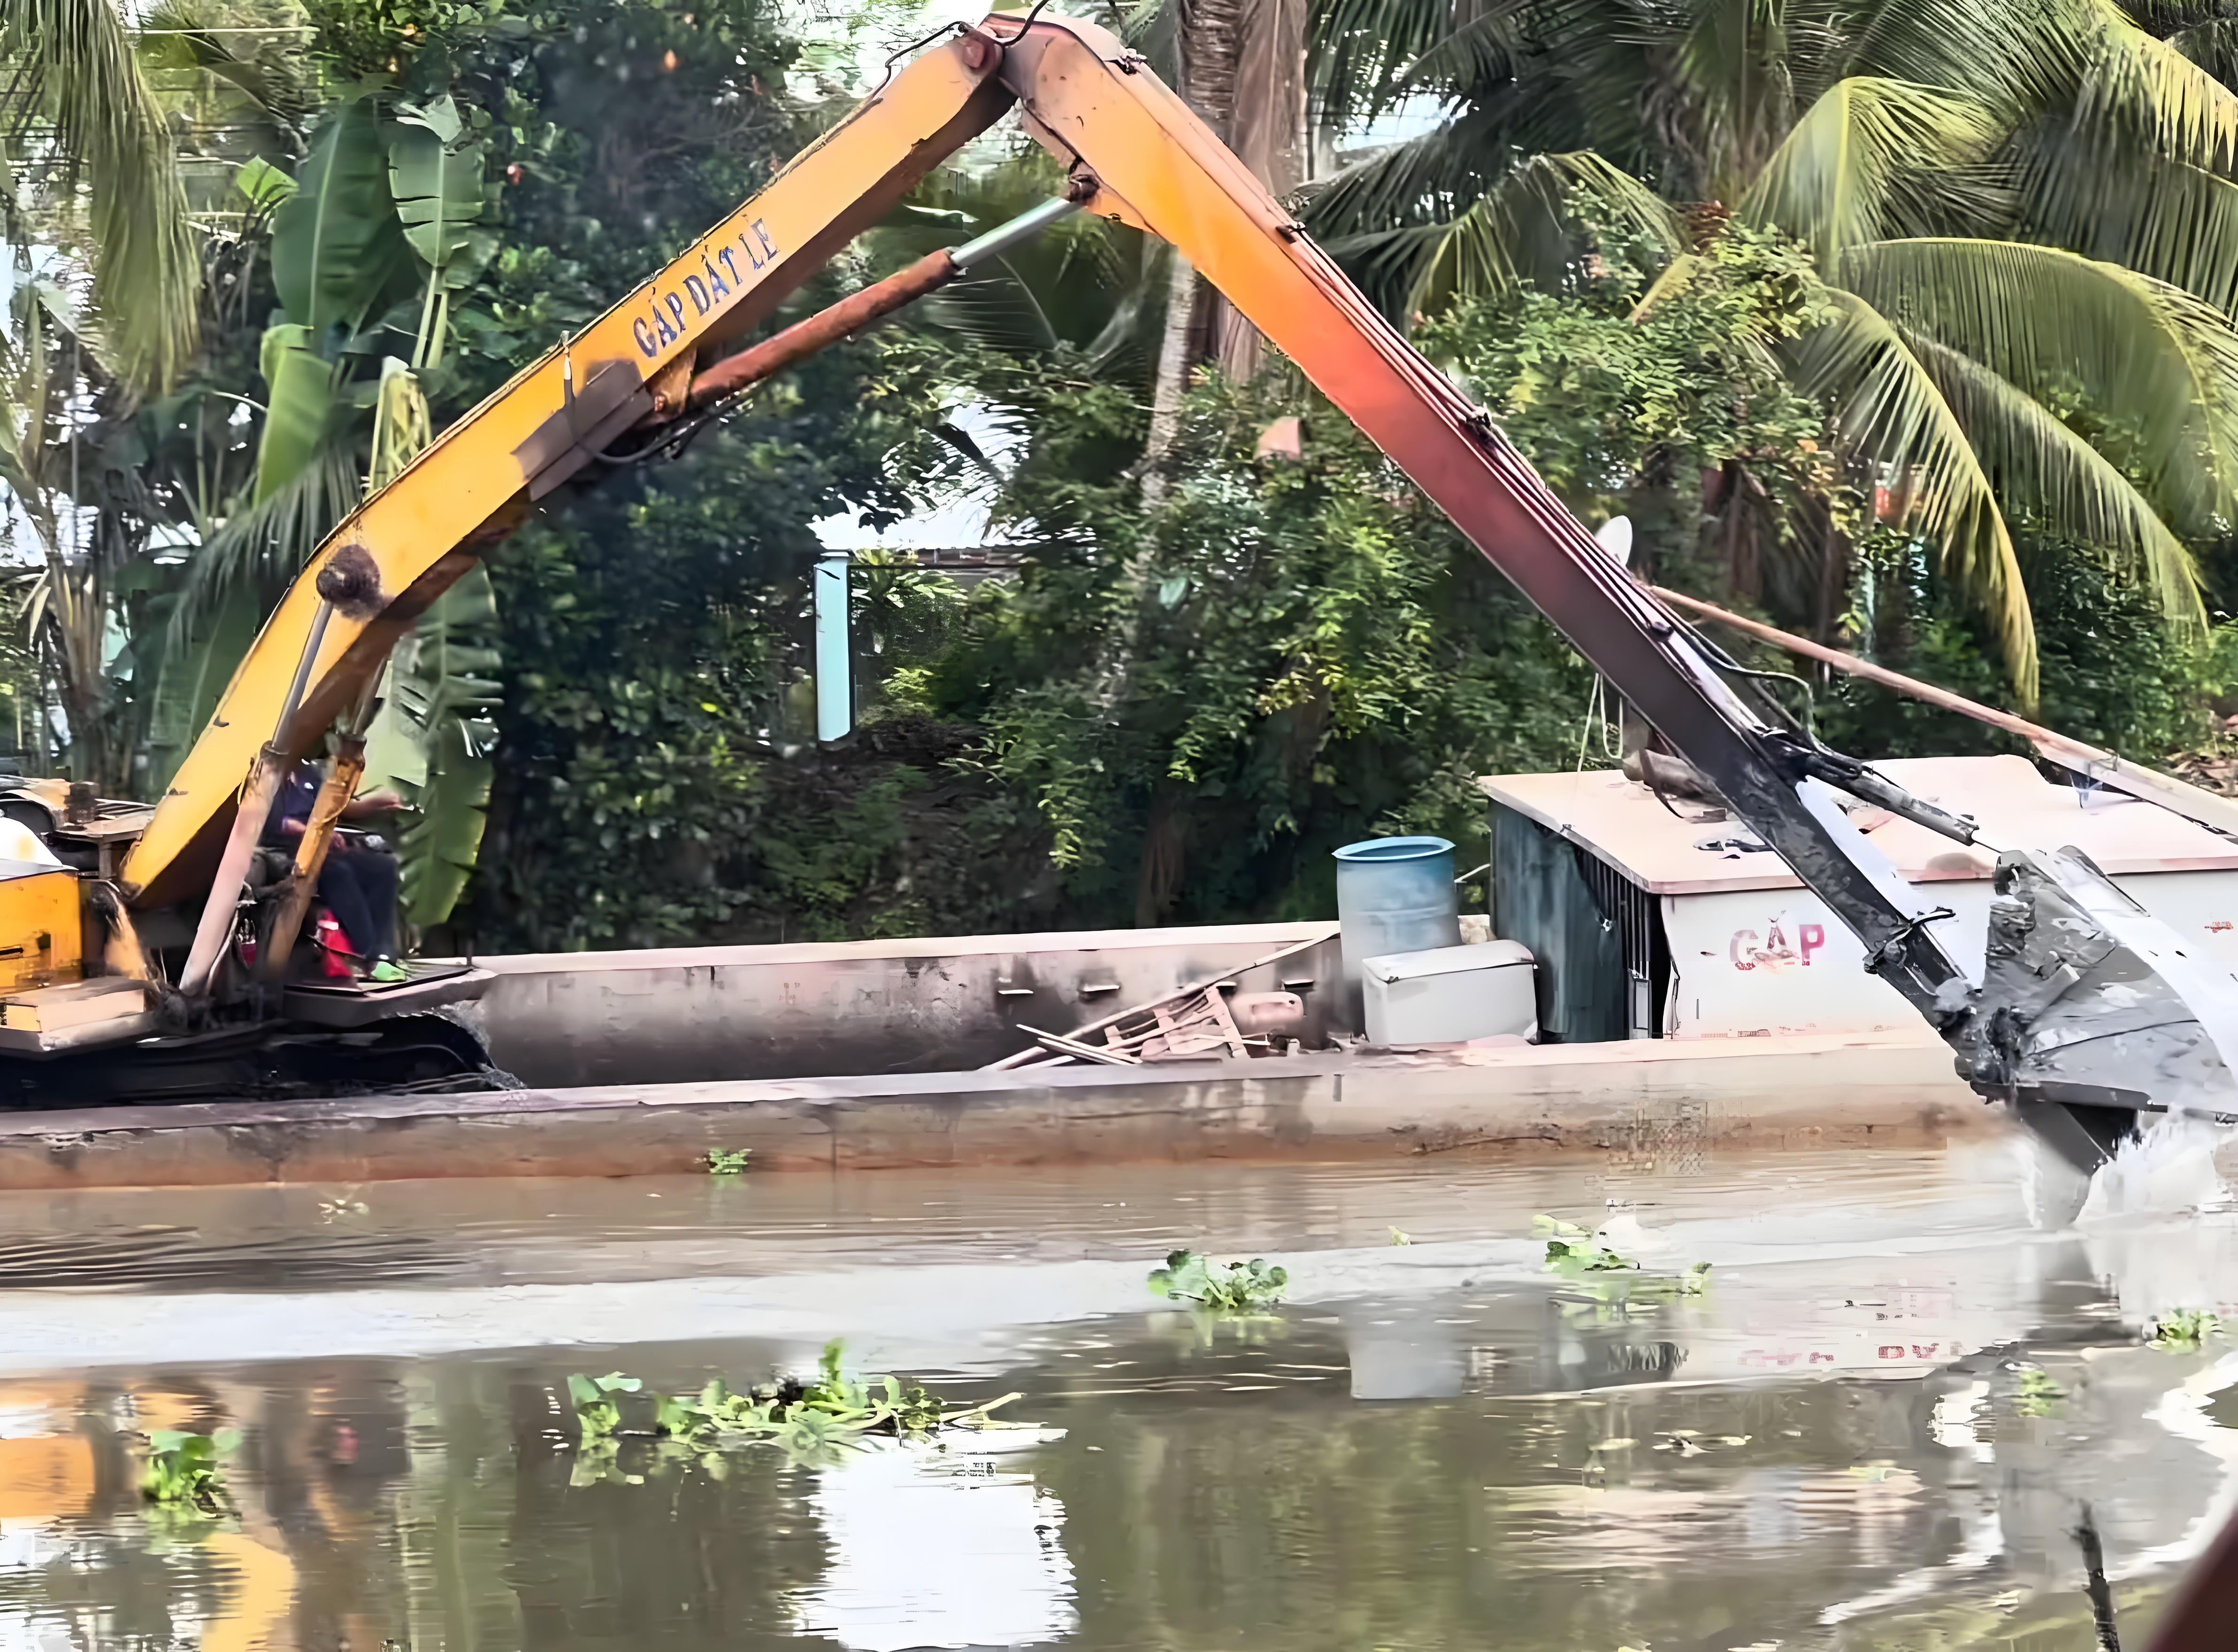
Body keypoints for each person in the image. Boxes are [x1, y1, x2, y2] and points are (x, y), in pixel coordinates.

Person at [264, 760, 408, 982]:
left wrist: (334, 832)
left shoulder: (308, 773)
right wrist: (309, 832)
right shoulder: (267, 775)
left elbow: (331, 810)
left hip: (321, 846)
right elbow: (273, 823)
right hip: (286, 849)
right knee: (339, 872)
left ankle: (384, 954)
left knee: (382, 866)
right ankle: (367, 954)